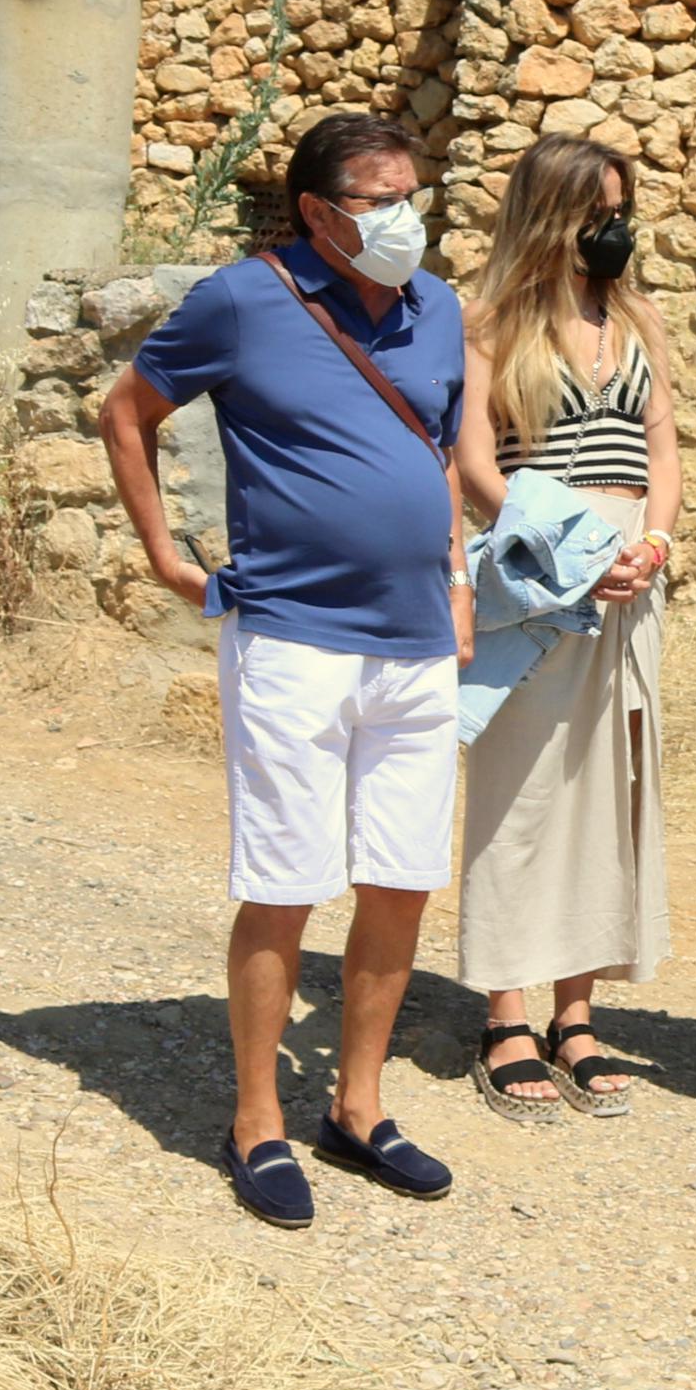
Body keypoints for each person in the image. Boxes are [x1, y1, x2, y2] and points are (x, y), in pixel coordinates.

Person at [101, 112, 473, 1228]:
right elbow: (128, 410)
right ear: (316, 210)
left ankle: (357, 1107)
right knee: (284, 884)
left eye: (413, 193)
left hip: (415, 648)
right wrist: (166, 553)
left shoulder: (440, 307)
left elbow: (439, 449)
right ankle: (257, 1120)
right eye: (377, 197)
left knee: (400, 883)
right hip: (293, 639)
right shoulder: (241, 297)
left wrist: (455, 579)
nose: (403, 216)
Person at [451, 134, 681, 1122]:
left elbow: (660, 446)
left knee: (608, 785)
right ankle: (506, 1010)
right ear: (549, 214)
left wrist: (655, 540)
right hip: (540, 569)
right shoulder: (491, 323)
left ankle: (575, 1012)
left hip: (633, 574)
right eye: (594, 210)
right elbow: (475, 469)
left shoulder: (639, 321)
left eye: (619, 207)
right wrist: (573, 544)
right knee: (523, 783)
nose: (612, 229)